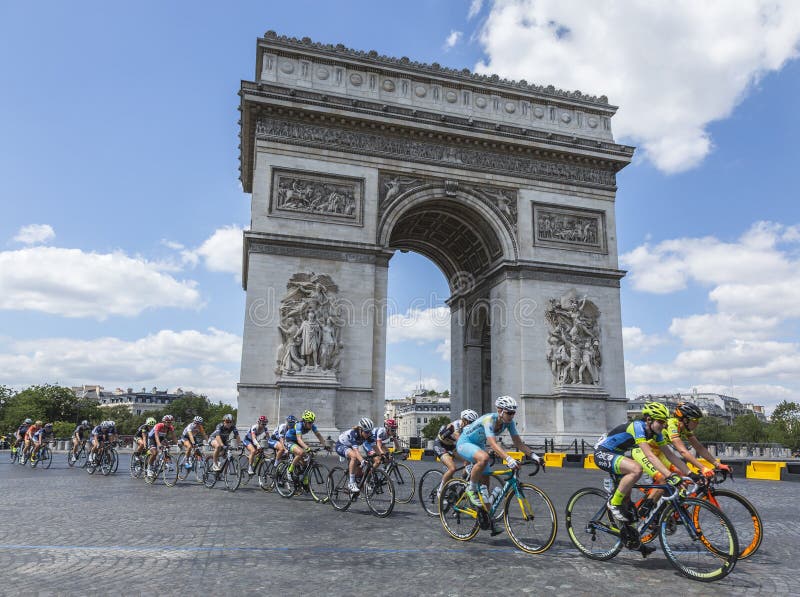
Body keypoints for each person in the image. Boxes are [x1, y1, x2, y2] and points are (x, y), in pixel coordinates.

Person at [593, 402, 686, 522]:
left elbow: (670, 455)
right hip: (603, 453)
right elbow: (649, 455)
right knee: (636, 469)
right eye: (661, 422)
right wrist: (669, 475)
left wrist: (688, 473)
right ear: (649, 419)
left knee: (628, 505)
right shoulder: (637, 427)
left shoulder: (655, 433)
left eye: (665, 422)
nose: (664, 426)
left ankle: (628, 537)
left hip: (617, 454)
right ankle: (614, 503)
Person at [456, 397, 537, 508]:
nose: (512, 416)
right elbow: (493, 444)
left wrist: (535, 456)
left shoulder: (509, 422)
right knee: (484, 458)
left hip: (478, 445)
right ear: (500, 411)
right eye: (509, 413)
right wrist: (509, 459)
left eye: (513, 413)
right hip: (465, 442)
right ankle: (471, 488)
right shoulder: (488, 420)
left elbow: (518, 443)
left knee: (485, 483)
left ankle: (486, 517)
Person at [667, 402, 732, 476]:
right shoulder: (672, 426)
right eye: (695, 420)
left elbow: (699, 448)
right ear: (685, 420)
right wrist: (703, 468)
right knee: (668, 478)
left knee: (684, 479)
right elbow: (683, 451)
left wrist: (718, 464)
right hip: (653, 453)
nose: (697, 423)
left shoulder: (685, 428)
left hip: (661, 453)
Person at [434, 409, 479, 498]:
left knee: (469, 460)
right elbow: (461, 440)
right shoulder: (454, 426)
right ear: (464, 420)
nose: (472, 425)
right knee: (452, 468)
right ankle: (440, 490)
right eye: (470, 422)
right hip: (440, 445)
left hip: (451, 446)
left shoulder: (469, 428)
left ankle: (463, 483)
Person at [284, 410, 328, 478]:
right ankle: (289, 471)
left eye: (312, 422)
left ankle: (304, 481)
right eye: (309, 422)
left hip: (297, 441)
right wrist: (307, 448)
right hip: (289, 440)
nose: (311, 424)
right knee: (301, 452)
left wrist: (325, 445)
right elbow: (299, 439)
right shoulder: (299, 425)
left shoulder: (311, 426)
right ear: (304, 421)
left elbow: (318, 435)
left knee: (305, 464)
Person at [335, 417, 374, 493]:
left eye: (370, 431)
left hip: (350, 447)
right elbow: (356, 451)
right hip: (341, 445)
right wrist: (362, 460)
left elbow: (374, 447)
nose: (368, 434)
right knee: (355, 457)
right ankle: (351, 483)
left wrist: (381, 455)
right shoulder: (354, 433)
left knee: (359, 465)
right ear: (360, 429)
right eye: (366, 432)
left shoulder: (368, 434)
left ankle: (359, 480)